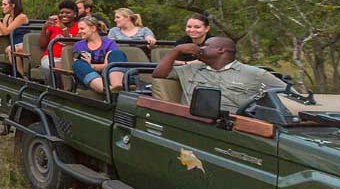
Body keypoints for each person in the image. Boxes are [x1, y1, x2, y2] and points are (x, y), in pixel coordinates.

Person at [152, 36, 285, 112]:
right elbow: (159, 74)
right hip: (196, 122)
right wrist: (176, 50)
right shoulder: (191, 69)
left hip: (237, 126)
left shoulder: (254, 74)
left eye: (206, 45)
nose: (200, 48)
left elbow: (288, 96)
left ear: (221, 50)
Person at [71, 17, 126, 92]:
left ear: (93, 28)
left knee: (117, 54)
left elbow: (108, 66)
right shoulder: (79, 45)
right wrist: (95, 67)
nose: (79, 31)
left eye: (82, 29)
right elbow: (81, 67)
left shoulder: (109, 43)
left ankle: (117, 85)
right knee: (77, 64)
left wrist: (90, 66)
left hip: (109, 74)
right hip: (92, 79)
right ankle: (107, 89)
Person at [0, 0, 29, 74]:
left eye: (5, 4)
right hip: (14, 44)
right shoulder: (7, 17)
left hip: (25, 43)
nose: (2, 7)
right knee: (10, 49)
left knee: (11, 49)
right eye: (2, 4)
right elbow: (1, 33)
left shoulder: (21, 17)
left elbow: (6, 31)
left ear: (13, 6)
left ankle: (24, 77)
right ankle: (21, 75)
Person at [39, 0, 79, 76]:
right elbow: (42, 44)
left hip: (70, 58)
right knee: (61, 67)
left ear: (75, 15)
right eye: (61, 13)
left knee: (74, 66)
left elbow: (71, 43)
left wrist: (64, 29)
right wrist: (44, 29)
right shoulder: (53, 26)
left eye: (68, 13)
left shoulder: (79, 27)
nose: (64, 15)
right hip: (51, 57)